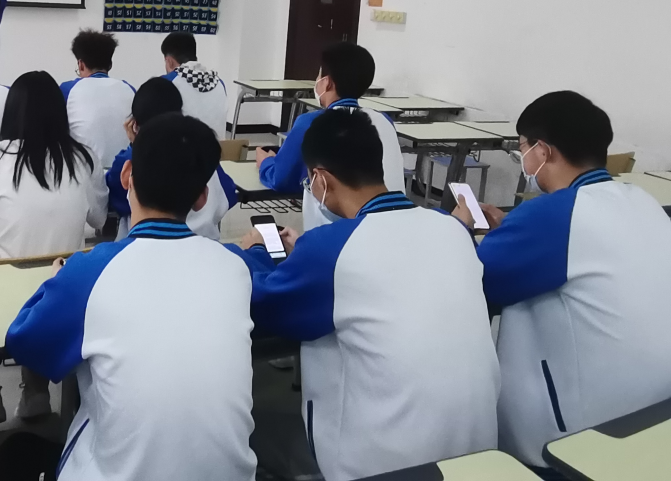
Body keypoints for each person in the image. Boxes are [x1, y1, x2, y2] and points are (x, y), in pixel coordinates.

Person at [242, 110, 498, 481]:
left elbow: (263, 302)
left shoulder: (330, 247)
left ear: (320, 179)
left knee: (255, 427)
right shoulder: (451, 228)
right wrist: (311, 259)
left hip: (384, 465)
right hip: (479, 451)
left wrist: (255, 251)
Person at [6, 113, 257, 481]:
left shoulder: (90, 272)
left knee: (14, 454)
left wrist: (57, 282)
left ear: (127, 176)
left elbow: (26, 344)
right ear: (202, 198)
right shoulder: (234, 268)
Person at [453, 91, 671, 473]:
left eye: (522, 148)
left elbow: (467, 283)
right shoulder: (642, 201)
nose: (523, 158)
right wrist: (514, 232)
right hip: (653, 412)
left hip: (580, 437)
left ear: (542, 151)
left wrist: (458, 230)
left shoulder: (552, 214)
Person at [0, 70, 107, 425]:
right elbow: (99, 218)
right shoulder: (83, 158)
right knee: (40, 281)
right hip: (63, 293)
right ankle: (36, 390)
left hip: (3, 297)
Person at [257, 42, 404, 229]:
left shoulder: (313, 123)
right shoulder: (384, 121)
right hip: (394, 222)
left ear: (327, 82)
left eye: (319, 75)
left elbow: (281, 179)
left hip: (336, 232)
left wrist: (265, 163)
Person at [106, 77, 237, 240]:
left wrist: (135, 146)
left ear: (135, 124)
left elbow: (114, 200)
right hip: (204, 244)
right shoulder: (200, 154)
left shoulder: (131, 161)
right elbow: (229, 194)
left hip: (141, 245)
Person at [60, 29, 136, 168]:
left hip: (83, 173)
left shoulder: (67, 90)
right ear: (110, 64)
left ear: (81, 64)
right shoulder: (130, 89)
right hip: (123, 173)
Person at [160, 31, 227, 139]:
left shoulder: (166, 83)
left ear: (169, 61)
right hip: (219, 148)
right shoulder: (219, 83)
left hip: (184, 149)